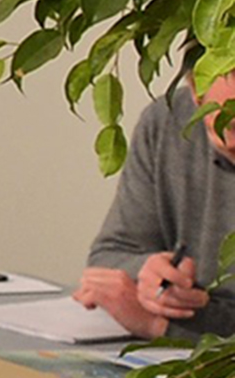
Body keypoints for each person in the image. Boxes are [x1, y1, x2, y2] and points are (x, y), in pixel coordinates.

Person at [74, 75, 235, 337]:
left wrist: (158, 327)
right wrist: (147, 275)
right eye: (224, 123)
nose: (229, 142)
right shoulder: (167, 122)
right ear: (196, 94)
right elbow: (108, 258)